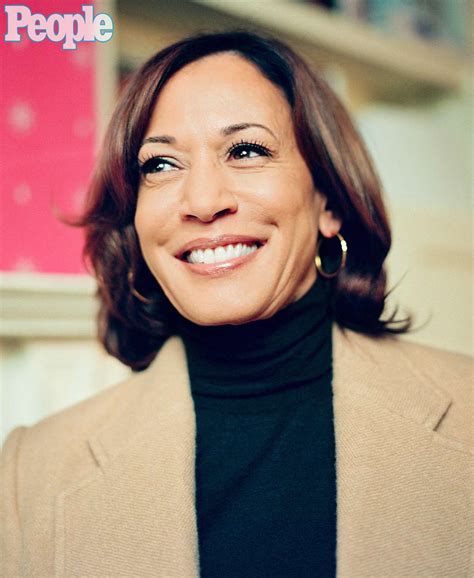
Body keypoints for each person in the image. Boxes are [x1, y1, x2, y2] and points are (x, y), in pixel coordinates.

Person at [1, 31, 471, 578]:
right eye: (161, 165)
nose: (203, 202)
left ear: (328, 202)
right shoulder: (28, 475)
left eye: (246, 151)